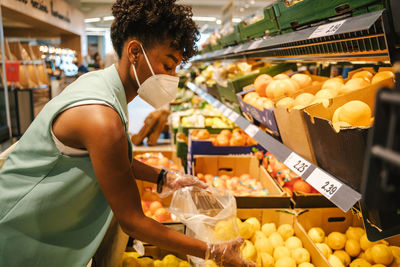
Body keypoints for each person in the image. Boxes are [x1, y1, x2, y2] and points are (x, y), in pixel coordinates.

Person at [0, 1, 254, 266]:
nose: (173, 77)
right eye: (168, 65)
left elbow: (113, 160)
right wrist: (214, 251)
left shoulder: (103, 86)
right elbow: (133, 221)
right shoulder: (101, 118)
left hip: (41, 221)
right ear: (135, 52)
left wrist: (165, 177)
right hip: (19, 229)